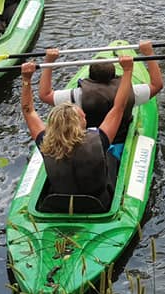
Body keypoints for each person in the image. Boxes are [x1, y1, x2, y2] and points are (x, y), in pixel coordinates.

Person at [20, 54, 137, 210]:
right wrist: (128, 71)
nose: (85, 116)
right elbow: (119, 107)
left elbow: (28, 112)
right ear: (77, 124)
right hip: (99, 205)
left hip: (58, 205)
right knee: (109, 156)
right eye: (82, 116)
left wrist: (26, 80)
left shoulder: (45, 142)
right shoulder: (99, 140)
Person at [36, 41, 164, 159]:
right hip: (120, 141)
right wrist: (149, 53)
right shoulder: (132, 93)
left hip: (90, 146)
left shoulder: (77, 96)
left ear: (89, 77)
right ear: (114, 76)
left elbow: (45, 94)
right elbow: (156, 85)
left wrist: (49, 61)